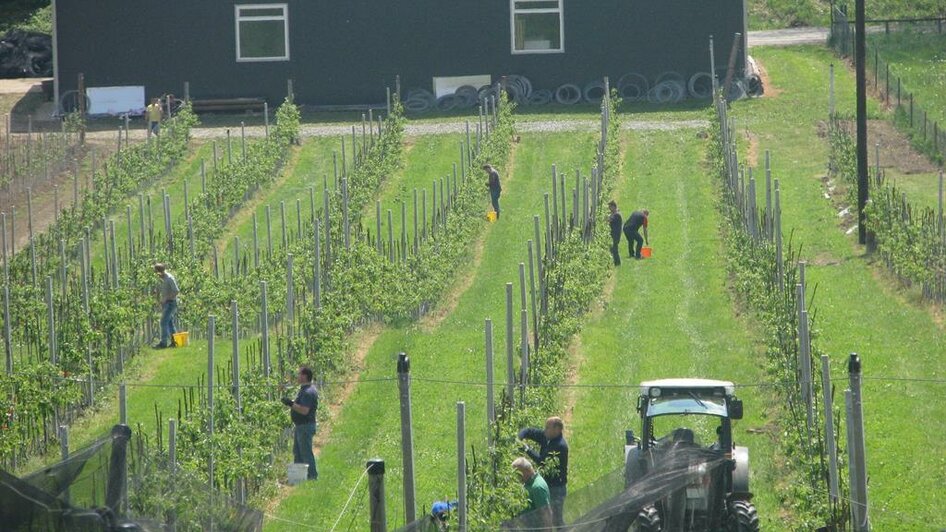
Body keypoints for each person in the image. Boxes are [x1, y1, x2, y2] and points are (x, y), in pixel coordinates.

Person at [519, 417, 569, 527]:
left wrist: (527, 449)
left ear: (557, 429)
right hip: (547, 485)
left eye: (547, 427)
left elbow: (542, 461)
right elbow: (528, 431)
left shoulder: (560, 446)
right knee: (544, 517)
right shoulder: (547, 437)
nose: (544, 430)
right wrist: (519, 438)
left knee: (556, 520)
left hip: (556, 488)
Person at [282, 366, 319, 480]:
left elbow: (304, 410)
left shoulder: (308, 392)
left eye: (299, 374)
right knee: (298, 453)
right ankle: (298, 479)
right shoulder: (305, 389)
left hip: (305, 426)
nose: (297, 376)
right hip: (301, 427)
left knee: (306, 453)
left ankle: (312, 477)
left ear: (304, 376)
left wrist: (290, 403)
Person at [511, 457, 553, 528]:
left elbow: (546, 515)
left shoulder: (537, 487)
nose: (517, 477)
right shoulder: (529, 483)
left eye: (518, 473)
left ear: (527, 470)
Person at [153, 263, 179, 349]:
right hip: (165, 303)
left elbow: (176, 291)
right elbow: (157, 290)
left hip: (171, 303)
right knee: (170, 323)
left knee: (163, 322)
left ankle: (163, 343)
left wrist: (166, 298)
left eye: (156, 272)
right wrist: (157, 301)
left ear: (160, 272)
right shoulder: (159, 279)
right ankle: (175, 341)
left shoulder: (169, 279)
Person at [608, 200, 623, 266]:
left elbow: (610, 220)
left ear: (613, 207)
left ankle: (617, 263)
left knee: (614, 249)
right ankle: (615, 263)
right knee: (613, 249)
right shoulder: (615, 214)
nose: (609, 208)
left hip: (615, 235)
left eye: (610, 207)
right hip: (614, 234)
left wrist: (607, 218)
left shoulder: (617, 215)